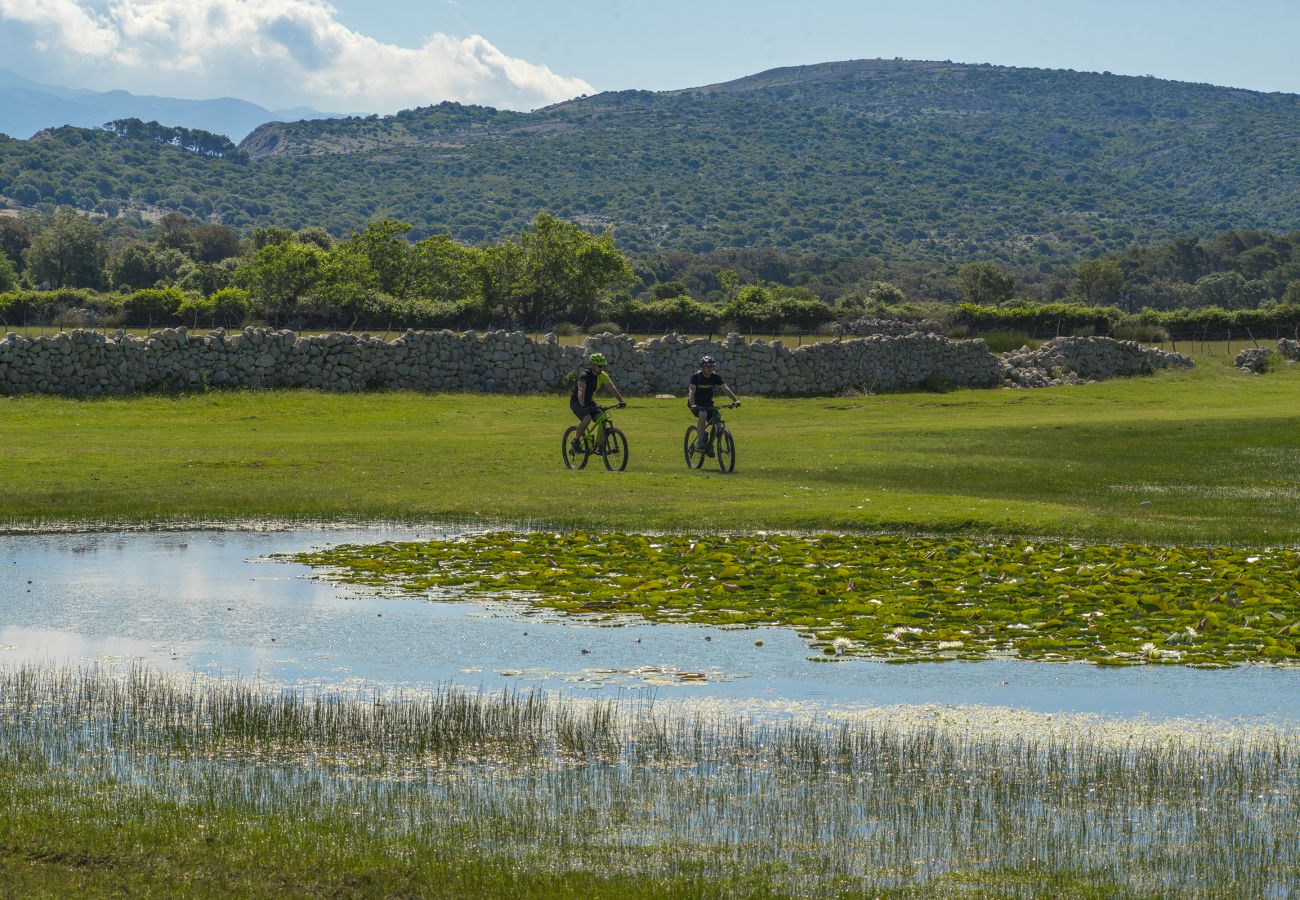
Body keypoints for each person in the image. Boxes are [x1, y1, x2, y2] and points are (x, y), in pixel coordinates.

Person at [570, 352, 625, 451]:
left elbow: (612, 388)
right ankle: (576, 440)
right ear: (593, 365)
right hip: (577, 402)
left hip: (589, 401)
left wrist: (621, 401)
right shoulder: (585, 375)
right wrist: (581, 402)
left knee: (603, 418)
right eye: (599, 366)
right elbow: (581, 390)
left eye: (603, 366)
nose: (602, 368)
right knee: (587, 418)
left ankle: (600, 445)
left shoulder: (603, 375)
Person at [687, 355, 739, 453]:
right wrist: (692, 404)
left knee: (718, 423)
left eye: (712, 366)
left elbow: (725, 389)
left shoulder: (715, 377)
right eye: (708, 366)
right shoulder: (696, 377)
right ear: (702, 367)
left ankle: (710, 445)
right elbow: (691, 391)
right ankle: (701, 441)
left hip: (708, 404)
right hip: (696, 403)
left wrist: (735, 400)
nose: (710, 368)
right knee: (703, 413)